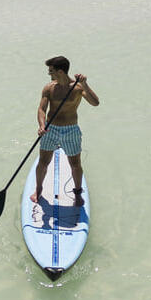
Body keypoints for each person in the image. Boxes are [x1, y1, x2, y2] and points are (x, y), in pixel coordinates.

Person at [31, 56, 99, 206]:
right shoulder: (49, 88)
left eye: (51, 71)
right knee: (43, 162)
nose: (49, 74)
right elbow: (42, 109)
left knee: (75, 163)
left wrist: (85, 84)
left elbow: (95, 103)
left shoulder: (78, 88)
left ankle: (78, 194)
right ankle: (38, 189)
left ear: (60, 71)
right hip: (50, 129)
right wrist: (42, 125)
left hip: (71, 130)